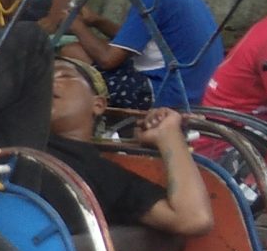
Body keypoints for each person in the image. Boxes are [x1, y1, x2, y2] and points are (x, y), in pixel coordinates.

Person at [40, 55, 213, 236]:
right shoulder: (14, 136)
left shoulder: (105, 175)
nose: (46, 82)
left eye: (64, 76)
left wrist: (169, 135)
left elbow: (194, 218)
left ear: (98, 104)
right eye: (38, 79)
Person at [62, 0, 220, 109]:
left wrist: (77, 26)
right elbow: (132, 39)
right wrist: (97, 21)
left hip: (167, 92)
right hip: (193, 87)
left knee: (72, 55)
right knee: (82, 49)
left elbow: (107, 60)